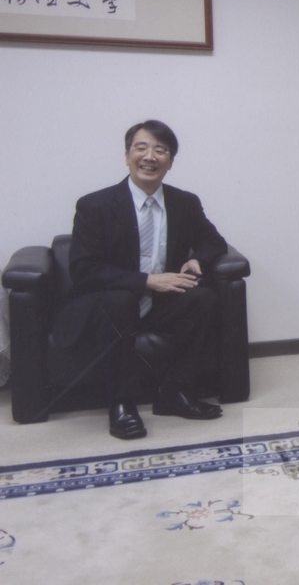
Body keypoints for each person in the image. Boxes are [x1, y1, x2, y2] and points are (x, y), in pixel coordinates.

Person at [57, 120, 228, 440]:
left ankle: (175, 393)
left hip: (157, 306)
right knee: (120, 299)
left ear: (170, 162)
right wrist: (147, 281)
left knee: (201, 297)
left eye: (160, 150)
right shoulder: (95, 205)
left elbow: (213, 242)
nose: (150, 156)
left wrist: (199, 260)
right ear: (127, 156)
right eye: (141, 148)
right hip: (108, 307)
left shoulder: (184, 202)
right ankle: (121, 404)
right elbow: (84, 270)